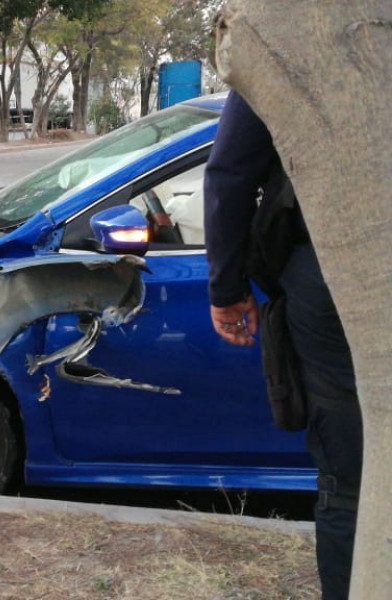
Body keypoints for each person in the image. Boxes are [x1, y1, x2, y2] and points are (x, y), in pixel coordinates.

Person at [204, 90, 363, 600]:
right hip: (332, 278)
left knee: (349, 476)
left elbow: (230, 173)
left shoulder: (288, 23)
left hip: (334, 267)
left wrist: (227, 292)